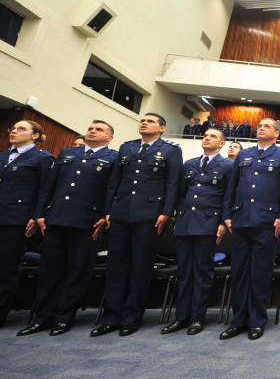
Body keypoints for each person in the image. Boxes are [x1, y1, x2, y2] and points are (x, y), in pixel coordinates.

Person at [17, 120, 117, 337]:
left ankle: (63, 318)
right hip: (57, 217)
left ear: (109, 138)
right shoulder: (67, 153)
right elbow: (49, 186)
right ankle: (42, 318)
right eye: (90, 128)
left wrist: (105, 216)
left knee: (77, 271)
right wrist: (41, 213)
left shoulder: (114, 157)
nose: (92, 131)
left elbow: (112, 190)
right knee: (48, 270)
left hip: (88, 222)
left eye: (99, 129)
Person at [91, 113, 182, 337]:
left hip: (149, 215)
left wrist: (166, 212)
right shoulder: (126, 148)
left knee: (140, 269)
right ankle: (111, 318)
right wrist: (108, 210)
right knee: (116, 267)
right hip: (121, 213)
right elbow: (115, 181)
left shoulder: (171, 150)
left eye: (150, 121)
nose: (144, 123)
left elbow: (173, 184)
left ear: (162, 128)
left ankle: (131, 318)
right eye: (143, 120)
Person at [220, 118, 280, 341]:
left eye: (266, 126)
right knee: (239, 272)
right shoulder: (244, 154)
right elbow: (231, 187)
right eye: (259, 126)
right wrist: (227, 215)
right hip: (241, 220)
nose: (260, 128)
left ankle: (256, 320)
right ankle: (238, 320)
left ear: (276, 134)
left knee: (260, 273)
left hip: (266, 221)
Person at [161, 128, 233, 336]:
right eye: (205, 135)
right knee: (184, 272)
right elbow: (182, 194)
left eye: (213, 136)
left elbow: (228, 196)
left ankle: (197, 317)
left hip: (209, 224)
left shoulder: (228, 166)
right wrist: (179, 218)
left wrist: (222, 221)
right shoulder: (189, 165)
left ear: (222, 144)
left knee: (202, 272)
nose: (207, 138)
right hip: (186, 223)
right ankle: (181, 317)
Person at [0, 121, 54, 328]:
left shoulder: (42, 158)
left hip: (17, 218)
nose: (14, 131)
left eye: (21, 129)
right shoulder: (2, 156)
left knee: (6, 268)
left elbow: (45, 190)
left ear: (36, 136)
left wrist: (37, 215)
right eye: (12, 128)